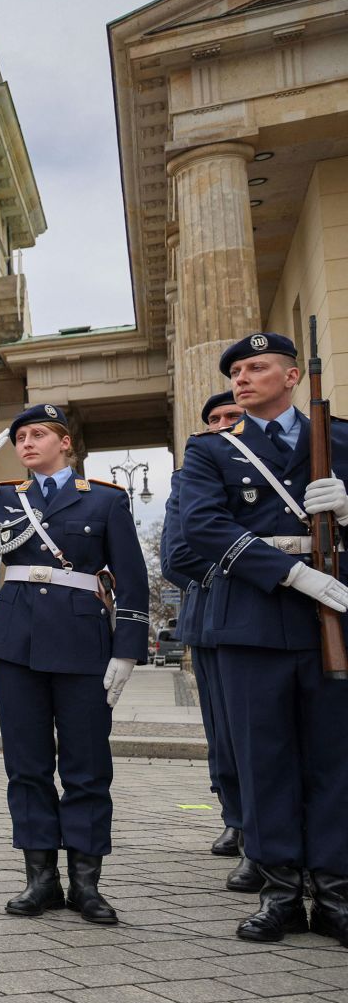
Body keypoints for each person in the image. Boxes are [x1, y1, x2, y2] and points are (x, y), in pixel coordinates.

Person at [0, 403, 147, 925]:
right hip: (15, 641)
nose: (25, 444)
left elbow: (133, 576)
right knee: (26, 766)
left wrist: (127, 648)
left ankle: (86, 883)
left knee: (86, 765)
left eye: (37, 435)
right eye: (19, 437)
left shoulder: (106, 500)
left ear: (65, 443)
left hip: (81, 641)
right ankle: (40, 878)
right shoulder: (4, 497)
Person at [177, 333, 348, 947]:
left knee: (333, 758)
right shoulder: (212, 450)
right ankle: (280, 890)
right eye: (237, 370)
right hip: (253, 614)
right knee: (264, 759)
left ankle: (332, 889)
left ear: (293, 375)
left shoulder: (341, 437)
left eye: (257, 367)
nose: (243, 378)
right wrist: (288, 572)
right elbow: (200, 526)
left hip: (331, 616)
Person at [160, 390, 259, 893]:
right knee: (226, 731)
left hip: (279, 612)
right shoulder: (190, 478)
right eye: (215, 419)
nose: (223, 424)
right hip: (215, 612)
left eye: (233, 417)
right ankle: (239, 818)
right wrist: (249, 571)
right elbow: (177, 554)